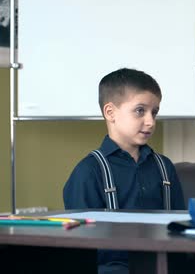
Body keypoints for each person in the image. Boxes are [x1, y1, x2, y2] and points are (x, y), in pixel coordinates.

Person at [63, 68, 185, 274]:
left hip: (163, 265)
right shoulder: (88, 171)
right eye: (140, 110)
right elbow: (80, 247)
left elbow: (181, 229)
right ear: (110, 112)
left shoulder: (165, 167)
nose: (150, 121)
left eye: (154, 112)